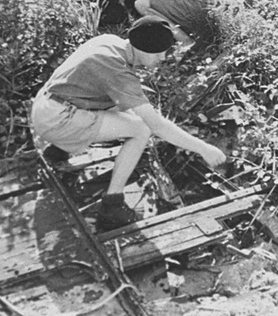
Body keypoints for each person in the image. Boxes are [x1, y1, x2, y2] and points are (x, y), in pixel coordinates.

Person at [30, 16, 227, 230]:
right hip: (56, 120)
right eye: (160, 51)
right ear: (144, 48)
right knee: (140, 129)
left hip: (45, 105)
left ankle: (57, 150)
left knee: (128, 115)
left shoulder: (108, 42)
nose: (163, 57)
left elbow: (101, 90)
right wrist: (203, 148)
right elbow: (156, 126)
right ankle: (112, 204)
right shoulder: (118, 71)